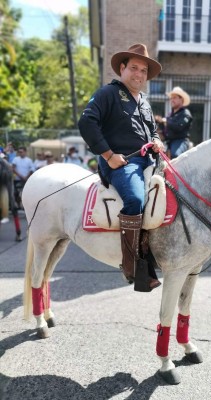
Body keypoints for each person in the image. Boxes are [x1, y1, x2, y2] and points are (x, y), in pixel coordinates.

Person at [78, 43, 164, 291]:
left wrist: (156, 141)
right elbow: (87, 123)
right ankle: (132, 266)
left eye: (144, 70)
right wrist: (108, 155)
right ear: (123, 68)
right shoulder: (108, 93)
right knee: (136, 199)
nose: (139, 74)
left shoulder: (145, 101)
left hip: (149, 161)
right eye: (134, 68)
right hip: (121, 163)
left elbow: (153, 131)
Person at [155, 86, 192, 159]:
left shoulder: (186, 113)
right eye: (171, 98)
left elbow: (179, 127)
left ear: (181, 99)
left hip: (180, 141)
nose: (171, 100)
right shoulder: (170, 115)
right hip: (168, 142)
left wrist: (166, 121)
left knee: (175, 155)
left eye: (174, 98)